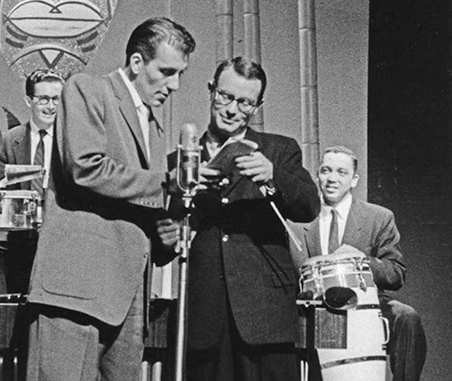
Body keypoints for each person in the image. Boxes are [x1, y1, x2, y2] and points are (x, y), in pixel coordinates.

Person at [25, 17, 196, 381]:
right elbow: (85, 168)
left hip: (129, 302)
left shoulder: (153, 127)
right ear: (137, 63)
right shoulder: (88, 89)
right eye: (166, 71)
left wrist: (167, 231)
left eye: (180, 74)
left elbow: (135, 203)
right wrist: (167, 184)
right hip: (77, 290)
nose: (174, 85)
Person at [159, 56, 320, 381]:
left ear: (257, 106)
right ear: (211, 90)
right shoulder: (179, 163)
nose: (232, 109)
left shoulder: (278, 151)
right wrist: (167, 235)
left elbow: (309, 207)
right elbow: (162, 247)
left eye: (245, 103)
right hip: (205, 318)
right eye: (225, 96)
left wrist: (274, 177)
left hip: (266, 318)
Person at [291, 146, 427, 381]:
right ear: (317, 176)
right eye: (326, 170)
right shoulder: (296, 221)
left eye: (341, 172)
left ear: (354, 180)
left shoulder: (378, 217)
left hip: (364, 305)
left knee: (407, 317)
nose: (332, 178)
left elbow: (396, 273)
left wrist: (363, 261)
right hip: (314, 309)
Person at [0, 68, 65, 295]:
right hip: (19, 239)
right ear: (28, 100)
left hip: (61, 236)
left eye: (56, 99)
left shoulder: (73, 142)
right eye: (43, 99)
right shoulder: (9, 142)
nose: (50, 106)